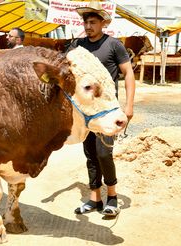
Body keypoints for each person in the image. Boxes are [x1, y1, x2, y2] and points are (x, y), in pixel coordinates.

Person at [67, 0, 135, 217]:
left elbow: (129, 73)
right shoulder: (77, 46)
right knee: (90, 154)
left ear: (103, 23)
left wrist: (129, 105)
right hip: (87, 112)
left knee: (104, 153)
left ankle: (112, 197)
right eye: (86, 22)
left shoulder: (114, 45)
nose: (88, 26)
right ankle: (95, 198)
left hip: (107, 111)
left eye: (93, 22)